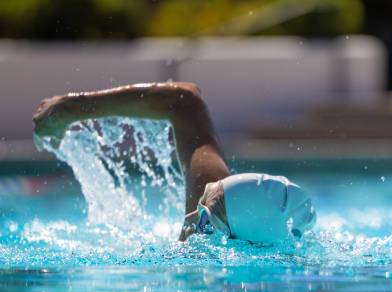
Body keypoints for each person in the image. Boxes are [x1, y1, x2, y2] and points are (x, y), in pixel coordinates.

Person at [33, 81, 316, 243]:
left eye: (207, 220)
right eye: (202, 200)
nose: (192, 217)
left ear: (241, 242)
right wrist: (71, 108)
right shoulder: (215, 201)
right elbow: (184, 100)